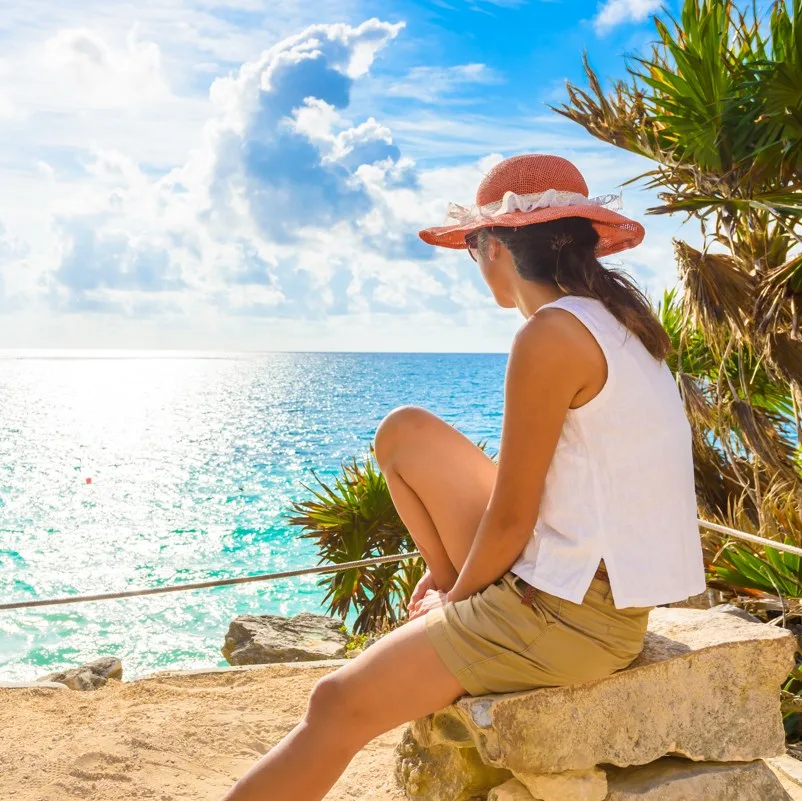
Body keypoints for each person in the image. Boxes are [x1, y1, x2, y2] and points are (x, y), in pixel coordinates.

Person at [219, 153, 707, 801]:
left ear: (495, 248)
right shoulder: (614, 323)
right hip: (586, 592)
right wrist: (457, 579)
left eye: (473, 248)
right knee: (406, 431)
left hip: (566, 616)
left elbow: (511, 517)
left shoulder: (550, 336)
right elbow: (548, 479)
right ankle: (452, 602)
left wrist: (459, 601)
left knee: (335, 702)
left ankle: (452, 613)